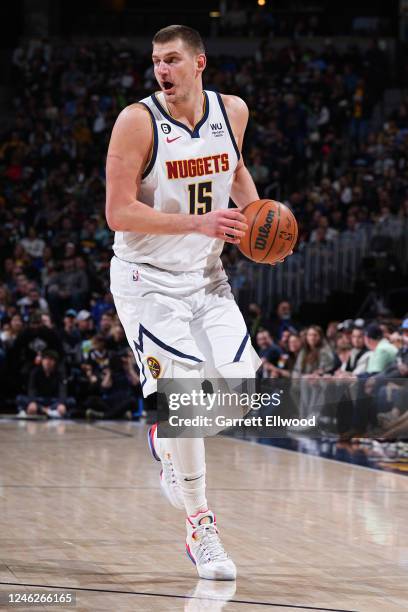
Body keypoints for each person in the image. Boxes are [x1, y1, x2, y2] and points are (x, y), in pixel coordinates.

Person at [106, 25, 291, 581]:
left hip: (207, 277)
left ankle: (164, 438)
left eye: (172, 60)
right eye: (156, 62)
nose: (162, 71)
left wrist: (258, 219)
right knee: (184, 398)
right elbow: (118, 212)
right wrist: (200, 222)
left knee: (238, 393)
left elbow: (232, 169)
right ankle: (200, 526)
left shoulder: (232, 111)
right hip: (148, 280)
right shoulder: (137, 121)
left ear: (199, 62)